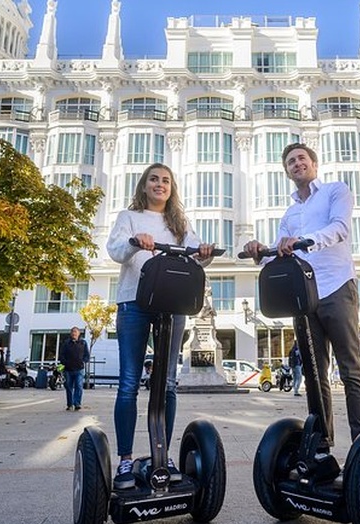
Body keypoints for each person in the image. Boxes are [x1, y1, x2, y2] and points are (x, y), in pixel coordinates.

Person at [243, 143, 360, 454]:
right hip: (304, 296)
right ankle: (322, 446)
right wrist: (259, 253)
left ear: (313, 163)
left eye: (301, 158)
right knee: (314, 374)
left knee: (351, 368)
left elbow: (340, 229)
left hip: (337, 286)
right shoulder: (289, 213)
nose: (297, 163)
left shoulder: (335, 191)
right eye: (290, 161)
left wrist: (303, 242)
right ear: (286, 171)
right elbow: (279, 254)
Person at [106, 162, 216, 490]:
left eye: (166, 180)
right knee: (128, 383)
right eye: (154, 179)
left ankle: (162, 455)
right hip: (134, 302)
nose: (160, 184)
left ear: (172, 188)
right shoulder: (129, 218)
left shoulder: (179, 223)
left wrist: (206, 253)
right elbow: (115, 251)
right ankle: (125, 459)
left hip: (173, 304)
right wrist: (135, 241)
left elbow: (195, 255)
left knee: (167, 383)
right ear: (144, 185)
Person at [59, 326, 89, 411]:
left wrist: (83, 361)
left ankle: (77, 404)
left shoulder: (83, 343)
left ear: (79, 333)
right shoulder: (66, 343)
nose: (74, 333)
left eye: (75, 332)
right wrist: (65, 363)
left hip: (79, 369)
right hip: (68, 370)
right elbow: (62, 355)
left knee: (79, 386)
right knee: (68, 387)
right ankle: (69, 404)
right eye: (72, 332)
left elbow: (87, 355)